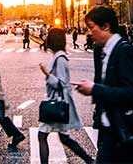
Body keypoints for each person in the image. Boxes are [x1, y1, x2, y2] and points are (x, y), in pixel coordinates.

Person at [75, 6, 133, 163]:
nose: (89, 32)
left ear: (106, 26)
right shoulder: (105, 50)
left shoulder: (123, 50)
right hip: (113, 129)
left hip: (127, 132)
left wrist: (94, 89)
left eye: (92, 28)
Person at [37, 28, 93, 164]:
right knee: (64, 138)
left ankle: (90, 160)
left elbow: (60, 83)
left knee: (42, 135)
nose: (46, 39)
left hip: (57, 103)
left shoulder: (60, 58)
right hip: (59, 102)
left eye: (49, 36)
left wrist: (46, 73)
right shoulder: (59, 56)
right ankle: (90, 160)